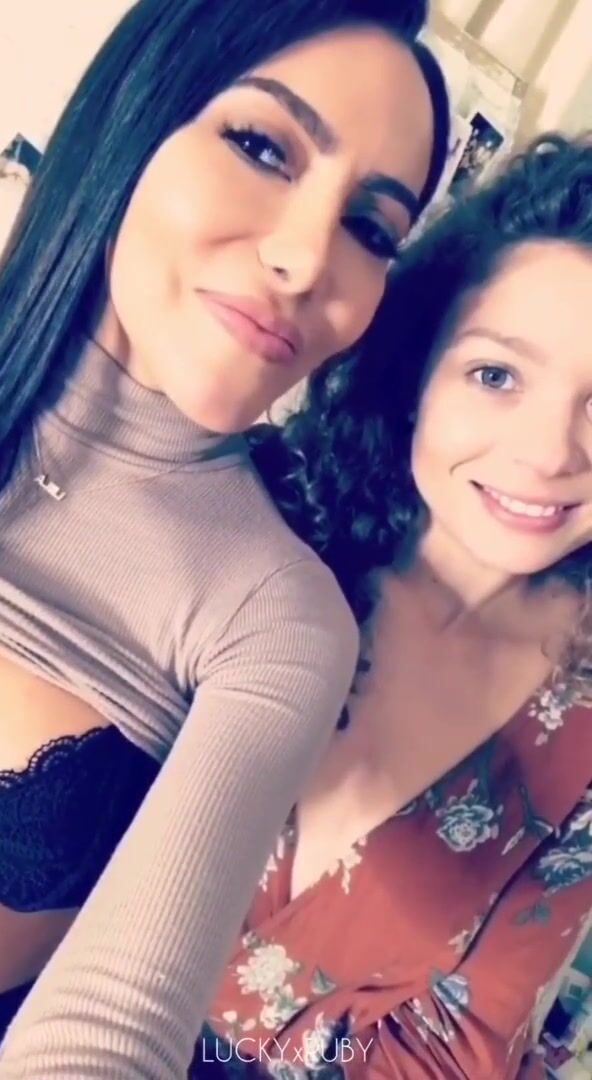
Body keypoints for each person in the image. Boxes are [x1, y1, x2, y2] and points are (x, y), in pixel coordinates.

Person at [0, 0, 450, 1075]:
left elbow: (113, 1028)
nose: (305, 258)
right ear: (135, 119)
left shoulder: (277, 621)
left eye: (370, 230)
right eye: (262, 148)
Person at [195, 135, 592, 1079]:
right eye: (496, 375)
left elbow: (462, 1050)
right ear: (419, 371)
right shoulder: (253, 513)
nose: (549, 453)